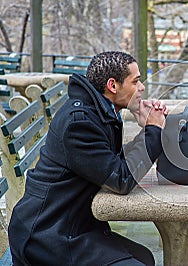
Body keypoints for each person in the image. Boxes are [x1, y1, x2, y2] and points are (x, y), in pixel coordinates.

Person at [8, 51, 166, 266]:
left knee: (144, 257)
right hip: (48, 234)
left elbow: (114, 165)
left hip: (73, 225)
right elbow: (121, 180)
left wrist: (145, 129)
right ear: (113, 85)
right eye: (136, 81)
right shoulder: (79, 124)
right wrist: (152, 130)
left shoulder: (98, 111)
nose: (142, 88)